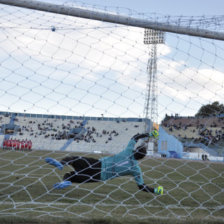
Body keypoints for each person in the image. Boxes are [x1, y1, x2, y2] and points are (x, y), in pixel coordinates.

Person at [45, 130, 163, 195]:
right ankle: (66, 181)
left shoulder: (128, 151)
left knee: (74, 159)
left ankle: (62, 163)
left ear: (134, 150)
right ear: (141, 158)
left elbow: (135, 137)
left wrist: (150, 134)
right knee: (72, 176)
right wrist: (155, 190)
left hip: (98, 164)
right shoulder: (136, 169)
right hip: (99, 176)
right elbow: (141, 187)